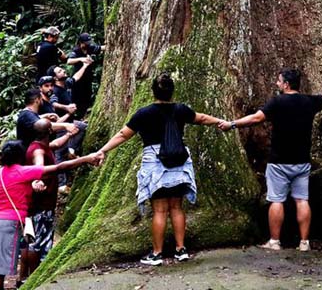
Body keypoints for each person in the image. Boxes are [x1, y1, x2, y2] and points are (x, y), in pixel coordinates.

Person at [96, 73, 225, 266]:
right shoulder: (181, 110)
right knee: (176, 207)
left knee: (159, 210)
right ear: (172, 92)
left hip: (156, 164)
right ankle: (181, 250)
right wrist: (222, 122)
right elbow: (202, 118)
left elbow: (124, 135)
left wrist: (102, 150)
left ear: (152, 92)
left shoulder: (144, 113)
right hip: (179, 161)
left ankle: (156, 253)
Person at [219, 68, 322, 252]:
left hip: (278, 162)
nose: (277, 83)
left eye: (279, 81)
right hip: (302, 161)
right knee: (302, 200)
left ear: (286, 84)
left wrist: (232, 124)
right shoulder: (309, 101)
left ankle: (274, 241)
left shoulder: (277, 102)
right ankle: (304, 242)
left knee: (276, 200)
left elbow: (256, 118)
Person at [0, 140, 101, 290]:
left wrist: (31, 184)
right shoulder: (22, 171)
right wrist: (85, 159)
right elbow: (59, 167)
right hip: (7, 223)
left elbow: (15, 187)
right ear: (21, 156)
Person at [18, 119, 72, 284]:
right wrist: (37, 180)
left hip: (33, 205)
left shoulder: (39, 146)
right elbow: (39, 166)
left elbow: (55, 145)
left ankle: (22, 279)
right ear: (49, 131)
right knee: (37, 243)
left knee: (29, 240)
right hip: (41, 207)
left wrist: (69, 134)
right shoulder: (38, 152)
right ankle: (35, 279)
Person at [66, 32, 100, 117]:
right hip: (78, 78)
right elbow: (69, 61)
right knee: (77, 98)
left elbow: (100, 48)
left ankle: (82, 115)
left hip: (88, 78)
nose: (88, 44)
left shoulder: (90, 48)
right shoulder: (76, 51)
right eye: (86, 42)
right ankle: (75, 116)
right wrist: (81, 59)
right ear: (81, 42)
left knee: (87, 97)